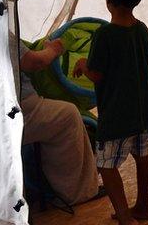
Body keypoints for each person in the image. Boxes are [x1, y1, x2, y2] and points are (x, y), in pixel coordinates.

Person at [73, 0, 148, 225]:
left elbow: (97, 74)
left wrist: (82, 64)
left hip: (117, 114)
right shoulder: (142, 29)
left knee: (106, 166)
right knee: (142, 156)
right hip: (144, 110)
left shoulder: (105, 34)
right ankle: (143, 206)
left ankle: (125, 218)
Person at [16, 38, 100, 205]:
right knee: (68, 115)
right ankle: (75, 193)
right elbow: (35, 62)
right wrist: (53, 49)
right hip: (21, 109)